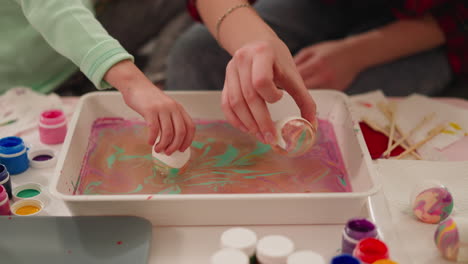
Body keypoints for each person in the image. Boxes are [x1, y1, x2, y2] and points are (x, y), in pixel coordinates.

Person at [167, 0, 467, 144]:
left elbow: (459, 18)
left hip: (436, 24)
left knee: (343, 113)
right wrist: (255, 41)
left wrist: (353, 54)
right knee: (195, 54)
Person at [1, 0, 193, 155]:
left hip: (89, 34)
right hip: (34, 78)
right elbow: (53, 7)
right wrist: (134, 83)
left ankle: (157, 85)